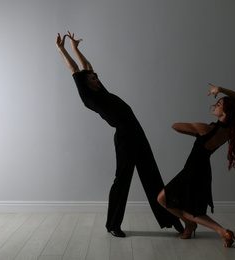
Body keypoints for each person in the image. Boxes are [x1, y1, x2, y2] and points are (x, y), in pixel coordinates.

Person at [56, 31, 183, 237]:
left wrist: (76, 48)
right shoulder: (88, 95)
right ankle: (113, 225)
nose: (96, 78)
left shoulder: (99, 89)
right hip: (125, 135)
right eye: (93, 78)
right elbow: (75, 69)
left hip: (136, 131)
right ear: (85, 83)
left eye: (96, 77)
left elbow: (87, 67)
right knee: (122, 180)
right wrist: (62, 49)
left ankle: (171, 219)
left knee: (152, 175)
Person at [157, 84, 235, 247]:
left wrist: (195, 131)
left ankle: (222, 231)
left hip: (192, 171)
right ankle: (190, 225)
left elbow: (175, 126)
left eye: (218, 105)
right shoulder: (232, 128)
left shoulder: (205, 128)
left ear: (225, 112)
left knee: (182, 209)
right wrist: (220, 89)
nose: (215, 107)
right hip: (202, 171)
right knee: (177, 205)